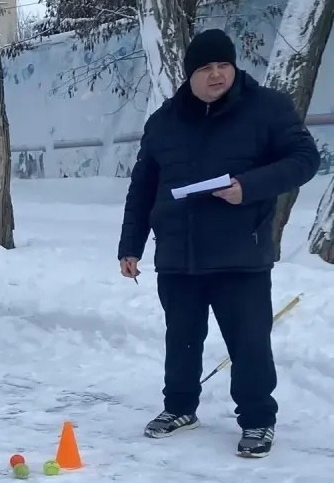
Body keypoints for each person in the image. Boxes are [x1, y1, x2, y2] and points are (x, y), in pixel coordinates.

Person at [118, 29, 319, 458]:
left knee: (249, 342)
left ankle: (258, 419)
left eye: (223, 65)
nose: (216, 75)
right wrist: (130, 245)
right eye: (205, 68)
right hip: (179, 253)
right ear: (189, 74)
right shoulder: (164, 121)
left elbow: (305, 159)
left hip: (239, 252)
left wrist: (248, 187)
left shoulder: (266, 108)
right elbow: (143, 187)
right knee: (182, 339)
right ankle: (179, 408)